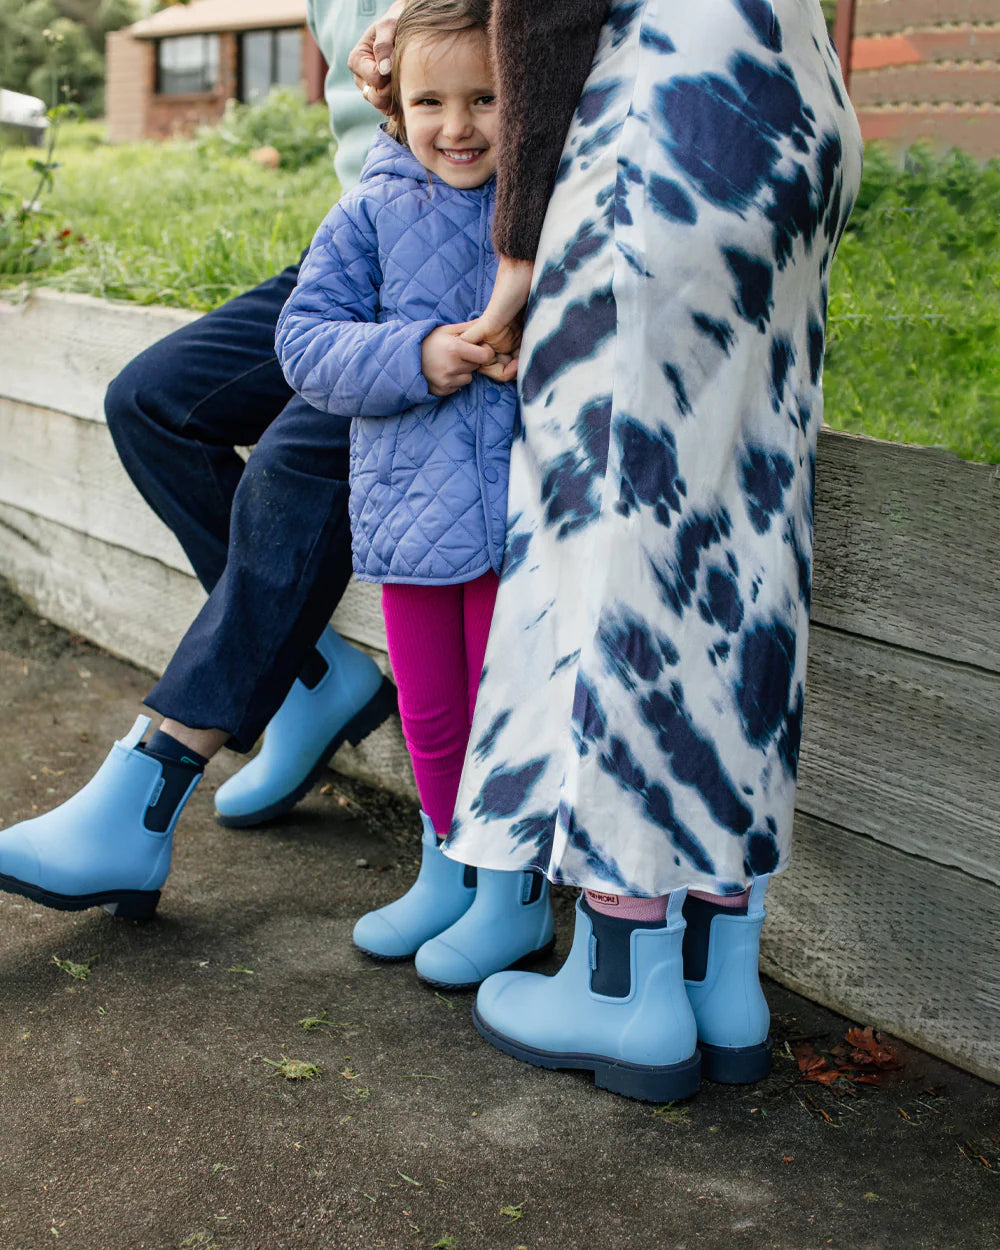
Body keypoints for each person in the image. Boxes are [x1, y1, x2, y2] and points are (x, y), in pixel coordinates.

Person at [356, 0, 863, 1101]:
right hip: (791, 102)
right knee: (741, 550)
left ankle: (623, 976)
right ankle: (718, 971)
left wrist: (517, 250)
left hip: (658, 128)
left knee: (612, 548)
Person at [0, 1, 407, 921]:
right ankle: (309, 670)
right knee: (152, 401)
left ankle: (140, 804)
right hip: (356, 237)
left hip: (444, 256)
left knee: (290, 469)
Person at [276, 0, 555, 990]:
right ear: (391, 103)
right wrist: (417, 352)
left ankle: (512, 891)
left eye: (485, 98)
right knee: (433, 714)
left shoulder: (542, 203)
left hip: (517, 519)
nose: (459, 126)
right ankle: (446, 863)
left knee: (503, 711)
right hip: (405, 510)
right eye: (432, 100)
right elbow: (305, 344)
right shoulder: (368, 211)